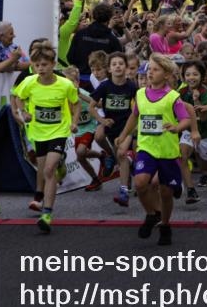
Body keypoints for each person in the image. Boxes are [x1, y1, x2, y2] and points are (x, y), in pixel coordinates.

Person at [116, 54, 192, 246]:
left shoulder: (173, 97)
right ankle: (152, 214)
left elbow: (186, 119)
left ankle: (165, 225)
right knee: (141, 182)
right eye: (149, 69)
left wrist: (177, 127)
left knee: (166, 192)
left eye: (155, 69)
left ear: (166, 74)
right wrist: (124, 135)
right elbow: (134, 117)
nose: (150, 73)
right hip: (146, 147)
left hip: (167, 150)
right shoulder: (140, 94)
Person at [11, 46, 79, 234]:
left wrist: (73, 122)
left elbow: (76, 103)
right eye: (37, 65)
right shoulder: (29, 82)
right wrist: (23, 111)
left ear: (53, 64)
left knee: (49, 169)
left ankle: (47, 214)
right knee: (44, 171)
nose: (41, 68)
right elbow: (18, 97)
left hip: (58, 132)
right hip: (38, 133)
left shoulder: (65, 84)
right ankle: (59, 165)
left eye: (45, 65)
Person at [92, 52, 138, 206]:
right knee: (98, 137)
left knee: (122, 154)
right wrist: (102, 120)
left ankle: (124, 191)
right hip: (110, 124)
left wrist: (134, 125)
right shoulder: (105, 86)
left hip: (126, 126)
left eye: (121, 63)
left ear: (126, 68)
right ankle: (110, 156)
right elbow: (92, 106)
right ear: (109, 69)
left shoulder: (131, 86)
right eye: (114, 64)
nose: (118, 66)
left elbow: (139, 107)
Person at [179, 60, 207, 203]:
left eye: (195, 74)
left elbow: (202, 118)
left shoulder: (205, 92)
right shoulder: (182, 92)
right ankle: (191, 190)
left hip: (205, 133)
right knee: (182, 156)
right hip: (188, 131)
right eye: (188, 74)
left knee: (205, 166)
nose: (191, 77)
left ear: (201, 76)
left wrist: (197, 100)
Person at [63, 66, 105, 192]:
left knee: (81, 152)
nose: (68, 85)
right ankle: (95, 177)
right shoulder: (62, 96)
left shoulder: (83, 93)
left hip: (90, 126)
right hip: (78, 129)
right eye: (65, 82)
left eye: (71, 82)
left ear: (77, 82)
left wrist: (81, 95)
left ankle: (101, 157)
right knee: (80, 157)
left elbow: (98, 104)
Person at [68, 3, 123, 82]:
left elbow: (70, 57)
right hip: (103, 82)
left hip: (81, 80)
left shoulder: (80, 34)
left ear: (93, 16)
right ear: (109, 18)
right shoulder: (112, 40)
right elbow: (118, 61)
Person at [58, 0, 86, 66]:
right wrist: (79, 0)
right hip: (64, 72)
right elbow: (72, 22)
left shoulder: (61, 33)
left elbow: (72, 22)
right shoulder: (61, 33)